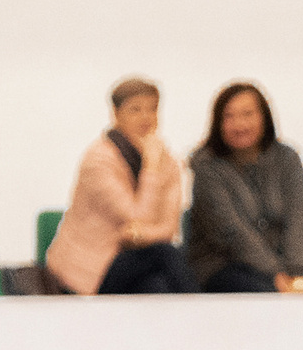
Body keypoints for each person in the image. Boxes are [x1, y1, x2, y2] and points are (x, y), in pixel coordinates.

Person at [44, 77, 193, 295]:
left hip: (138, 262)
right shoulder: (98, 160)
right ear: (116, 113)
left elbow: (169, 227)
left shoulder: (166, 161)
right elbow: (137, 216)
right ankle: (202, 320)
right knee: (165, 254)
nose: (146, 117)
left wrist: (139, 236)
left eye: (152, 109)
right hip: (91, 269)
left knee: (157, 289)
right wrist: (150, 168)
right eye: (135, 110)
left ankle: (194, 320)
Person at [184, 82, 303, 293]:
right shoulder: (207, 168)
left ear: (264, 117)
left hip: (287, 261)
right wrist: (276, 274)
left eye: (248, 114)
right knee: (267, 298)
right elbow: (232, 233)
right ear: (218, 122)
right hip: (226, 265)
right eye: (229, 116)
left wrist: (297, 270)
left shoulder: (287, 158)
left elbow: (298, 218)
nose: (239, 124)